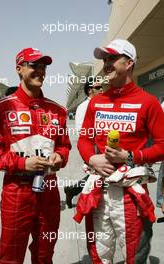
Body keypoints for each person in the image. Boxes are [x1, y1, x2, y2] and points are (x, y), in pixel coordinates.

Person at [77, 39, 164, 264]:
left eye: (112, 59)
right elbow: (84, 139)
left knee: (134, 258)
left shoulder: (149, 102)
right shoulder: (95, 103)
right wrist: (91, 157)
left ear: (130, 62)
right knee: (99, 255)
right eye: (104, 59)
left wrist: (132, 156)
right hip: (99, 191)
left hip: (131, 193)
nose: (106, 64)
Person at [0, 47, 71, 264]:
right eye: (34, 65)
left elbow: (64, 147)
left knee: (44, 256)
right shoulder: (0, 109)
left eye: (43, 66)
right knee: (9, 258)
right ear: (19, 69)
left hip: (49, 192)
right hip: (16, 192)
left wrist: (59, 158)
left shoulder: (58, 111)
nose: (40, 70)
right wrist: (23, 163)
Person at [64, 80, 103, 208]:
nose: (102, 89)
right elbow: (82, 130)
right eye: (98, 87)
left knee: (98, 174)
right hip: (92, 147)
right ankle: (79, 195)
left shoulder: (102, 104)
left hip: (102, 145)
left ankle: (74, 191)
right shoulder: (83, 107)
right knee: (98, 174)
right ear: (90, 90)